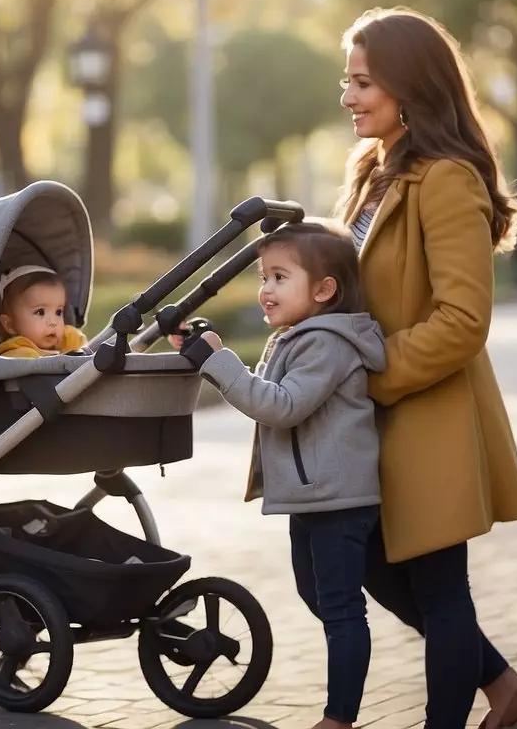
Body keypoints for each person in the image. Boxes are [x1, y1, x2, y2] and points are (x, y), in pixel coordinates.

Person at [335, 7, 517, 729]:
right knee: (364, 566)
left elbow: (463, 321)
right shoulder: (372, 170)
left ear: (410, 86)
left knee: (436, 586)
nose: (347, 96)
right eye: (345, 81)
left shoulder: (446, 180)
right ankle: (506, 693)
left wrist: (372, 373)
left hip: (425, 413)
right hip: (371, 420)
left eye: (363, 82)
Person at [179, 220, 387, 729]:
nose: (265, 289)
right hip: (313, 496)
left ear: (323, 289)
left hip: (337, 499)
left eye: (279, 277)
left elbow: (283, 406)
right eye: (263, 277)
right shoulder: (299, 336)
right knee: (315, 595)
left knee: (340, 609)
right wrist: (204, 351)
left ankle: (339, 718)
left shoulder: (328, 344)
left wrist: (222, 364)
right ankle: (348, 663)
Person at [0, 265, 88, 358]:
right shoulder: (15, 356)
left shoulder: (68, 344)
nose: (53, 322)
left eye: (58, 312)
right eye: (40, 312)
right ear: (10, 325)